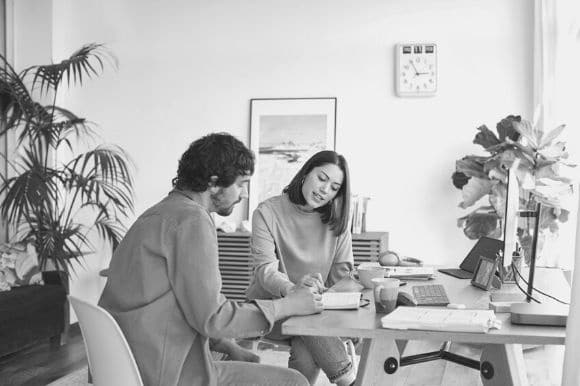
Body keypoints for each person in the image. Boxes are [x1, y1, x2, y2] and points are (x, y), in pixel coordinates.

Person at [99, 133, 324, 386]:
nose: (245, 194)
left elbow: (183, 306)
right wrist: (289, 305)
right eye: (241, 184)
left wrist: (226, 346)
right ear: (214, 183)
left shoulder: (157, 214)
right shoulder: (192, 221)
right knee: (294, 381)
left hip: (132, 364)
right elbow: (213, 317)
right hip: (167, 374)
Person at [246, 150, 357, 386]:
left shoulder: (337, 222)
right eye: (322, 178)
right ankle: (347, 378)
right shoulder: (267, 212)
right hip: (273, 309)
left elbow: (342, 278)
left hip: (315, 315)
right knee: (306, 318)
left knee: (306, 349)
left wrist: (321, 294)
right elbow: (265, 271)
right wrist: (294, 291)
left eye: (335, 187)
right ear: (306, 173)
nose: (325, 190)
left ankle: (347, 378)